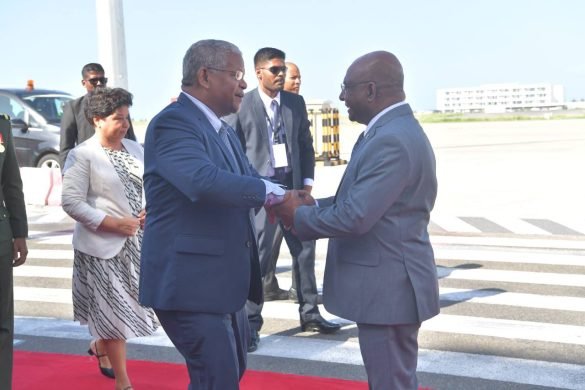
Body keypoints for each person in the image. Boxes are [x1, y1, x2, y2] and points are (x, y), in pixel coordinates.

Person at [270, 51, 440, 389]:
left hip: (389, 289)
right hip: (389, 286)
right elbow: (365, 201)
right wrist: (314, 204)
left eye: (348, 88)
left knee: (390, 382)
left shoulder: (391, 138)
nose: (343, 96)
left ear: (372, 90)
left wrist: (298, 215)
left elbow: (356, 216)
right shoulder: (390, 130)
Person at [139, 39, 286, 390]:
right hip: (190, 284)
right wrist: (274, 195)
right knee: (216, 379)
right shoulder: (173, 123)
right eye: (235, 74)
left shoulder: (220, 129)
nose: (244, 83)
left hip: (221, 284)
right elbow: (202, 182)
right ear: (205, 76)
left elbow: (249, 181)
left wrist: (289, 199)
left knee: (226, 375)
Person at [225, 47, 340, 353]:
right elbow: (235, 154)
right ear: (258, 72)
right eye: (275, 70)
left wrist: (306, 185)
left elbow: (305, 144)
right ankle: (250, 324)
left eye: (283, 71)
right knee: (259, 262)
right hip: (260, 195)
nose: (281, 75)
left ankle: (311, 314)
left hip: (292, 191)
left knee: (304, 254)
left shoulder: (294, 103)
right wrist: (249, 191)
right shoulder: (242, 106)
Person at [61, 87, 158, 390]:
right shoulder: (82, 155)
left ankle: (100, 347)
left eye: (127, 118)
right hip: (101, 247)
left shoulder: (136, 149)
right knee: (114, 314)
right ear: (97, 119)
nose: (126, 124)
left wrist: (146, 211)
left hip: (136, 244)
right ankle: (123, 382)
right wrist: (112, 223)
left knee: (126, 309)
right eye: (118, 118)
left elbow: (151, 188)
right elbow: (71, 202)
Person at [60, 63, 136, 167]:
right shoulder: (74, 108)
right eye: (94, 80)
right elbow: (66, 147)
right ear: (84, 83)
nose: (99, 83)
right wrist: (66, 173)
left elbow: (130, 138)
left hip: (119, 165)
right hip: (89, 166)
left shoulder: (118, 104)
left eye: (102, 80)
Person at [0, 114, 28, 390]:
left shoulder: (2, 125)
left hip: (0, 237)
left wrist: (19, 232)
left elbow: (11, 182)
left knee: (2, 326)